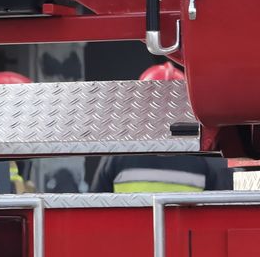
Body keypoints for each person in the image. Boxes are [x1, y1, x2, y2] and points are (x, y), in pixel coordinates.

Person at [90, 63, 232, 193]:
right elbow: (223, 211)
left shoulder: (118, 154)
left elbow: (95, 211)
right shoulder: (207, 156)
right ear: (186, 107)